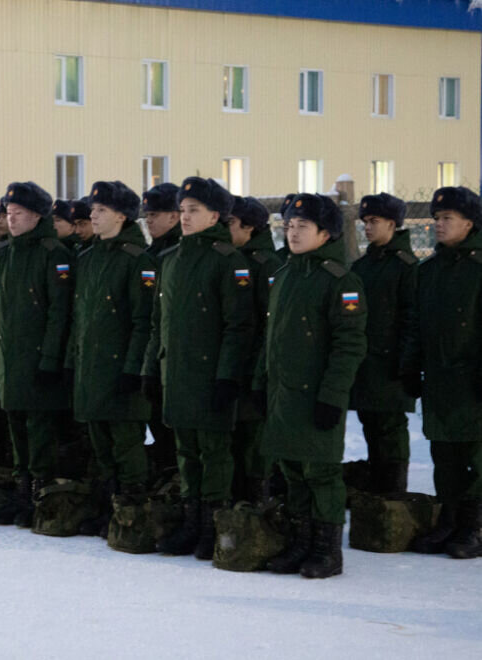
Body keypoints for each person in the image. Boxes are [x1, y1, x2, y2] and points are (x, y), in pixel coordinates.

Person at [257, 193, 367, 578]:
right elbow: (271, 338)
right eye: (289, 225)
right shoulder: (284, 274)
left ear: (326, 233)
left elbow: (349, 346)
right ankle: (301, 543)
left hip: (317, 395)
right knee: (292, 470)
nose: (294, 232)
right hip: (282, 394)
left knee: (320, 473)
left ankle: (326, 550)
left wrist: (333, 397)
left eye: (303, 226)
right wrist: (260, 385)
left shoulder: (340, 281)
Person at [145, 177, 254, 559]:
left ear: (215, 216)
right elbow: (158, 322)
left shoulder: (228, 261)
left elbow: (238, 326)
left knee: (214, 452)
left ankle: (213, 525)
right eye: (183, 210)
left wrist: (228, 375)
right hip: (176, 372)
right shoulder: (171, 259)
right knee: (186, 451)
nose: (185, 217)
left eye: (194, 210)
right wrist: (149, 368)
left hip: (210, 376)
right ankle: (192, 523)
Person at [0, 181, 74, 526]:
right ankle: (21, 488)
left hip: (38, 358)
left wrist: (51, 358)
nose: (11, 219)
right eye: (9, 213)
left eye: (19, 213)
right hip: (11, 357)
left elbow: (59, 312)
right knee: (16, 425)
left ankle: (41, 490)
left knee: (39, 429)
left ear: (37, 216)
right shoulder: (4, 254)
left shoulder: (55, 254)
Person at [69, 180, 153, 536]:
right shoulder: (87, 259)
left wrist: (133, 368)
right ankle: (108, 509)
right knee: (100, 445)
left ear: (121, 216)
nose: (93, 215)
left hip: (121, 371)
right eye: (93, 209)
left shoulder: (138, 260)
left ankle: (133, 514)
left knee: (126, 446)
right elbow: (80, 318)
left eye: (101, 210)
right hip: (91, 369)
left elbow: (143, 321)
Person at [409, 186, 482, 558]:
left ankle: (474, 526)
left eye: (447, 219)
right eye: (436, 219)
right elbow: (416, 324)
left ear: (470, 223)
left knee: (476, 456)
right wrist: (410, 367)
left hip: (472, 381)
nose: (438, 225)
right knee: (445, 456)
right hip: (438, 379)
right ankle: (450, 520)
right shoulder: (430, 271)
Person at [348, 193, 418, 494]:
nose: (367, 227)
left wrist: (408, 362)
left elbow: (412, 317)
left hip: (391, 364)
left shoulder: (406, 267)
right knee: (371, 424)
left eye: (374, 221)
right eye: (364, 221)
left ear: (392, 223)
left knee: (390, 428)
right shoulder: (363, 266)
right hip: (367, 363)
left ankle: (392, 492)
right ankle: (377, 490)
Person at [226, 195, 281, 503]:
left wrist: (259, 369)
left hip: (253, 368)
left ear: (249, 228)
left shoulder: (265, 264)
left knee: (252, 440)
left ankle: (256, 505)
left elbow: (267, 323)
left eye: (230, 223)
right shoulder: (231, 259)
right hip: (232, 364)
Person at [140, 182, 181, 473]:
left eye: (155, 214)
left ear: (174, 216)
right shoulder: (151, 253)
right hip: (150, 353)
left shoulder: (177, 253)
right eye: (147, 215)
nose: (149, 220)